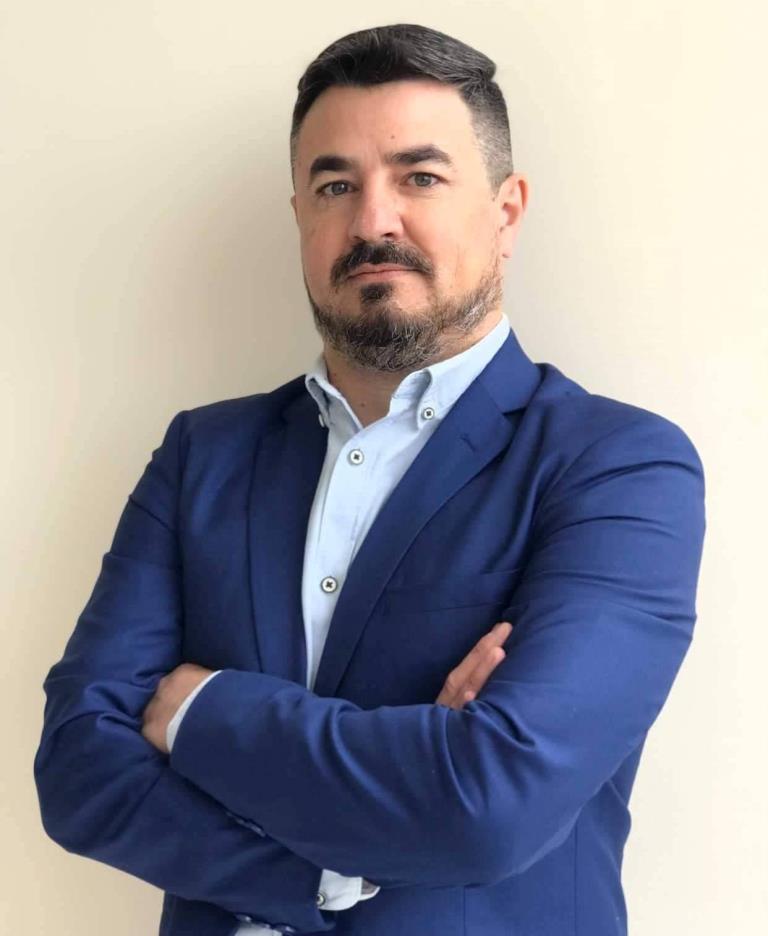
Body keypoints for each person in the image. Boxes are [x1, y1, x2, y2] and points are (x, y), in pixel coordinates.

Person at [33, 23, 706, 936]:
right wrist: (325, 862)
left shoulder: (617, 466)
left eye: (419, 177)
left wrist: (198, 711)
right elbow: (78, 771)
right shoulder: (204, 454)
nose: (372, 221)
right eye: (335, 185)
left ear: (506, 212)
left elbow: (490, 799)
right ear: (301, 216)